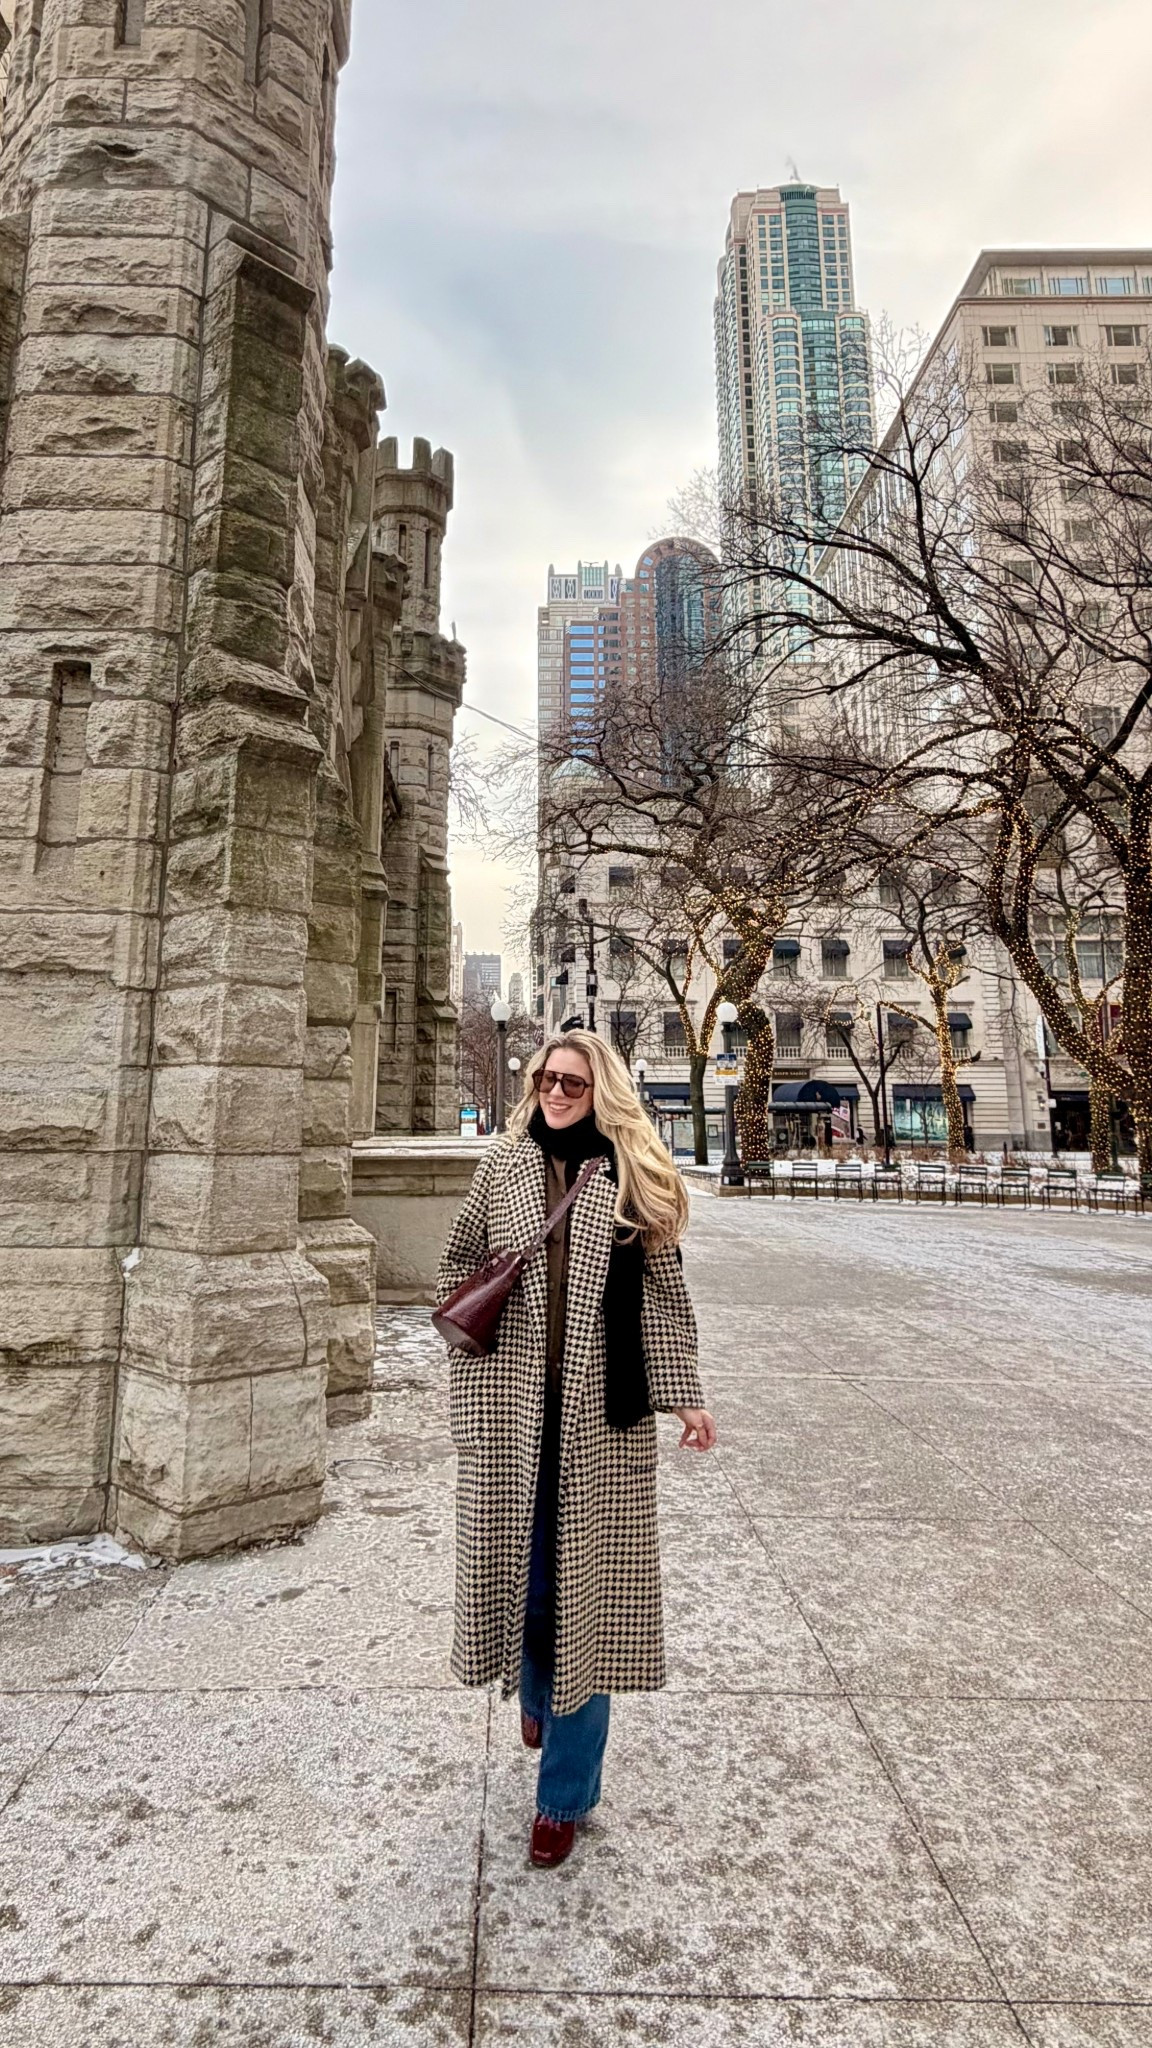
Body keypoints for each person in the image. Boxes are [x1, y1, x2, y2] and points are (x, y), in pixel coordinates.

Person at [436, 1029, 715, 1869]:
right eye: (546, 1078)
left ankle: (562, 1797)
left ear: (604, 1092)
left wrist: (687, 1394)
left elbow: (666, 1297)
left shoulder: (632, 1174)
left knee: (584, 1603)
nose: (557, 1092)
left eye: (573, 1082)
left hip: (602, 1416)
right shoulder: (505, 1163)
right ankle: (536, 1686)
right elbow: (451, 1265)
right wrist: (487, 1296)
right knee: (522, 1574)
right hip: (508, 1412)